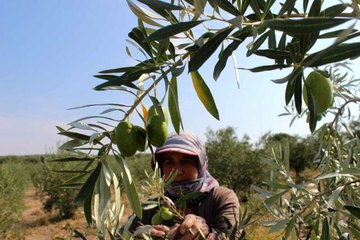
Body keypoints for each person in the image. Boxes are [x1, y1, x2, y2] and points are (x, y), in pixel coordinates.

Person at [122, 131, 240, 239]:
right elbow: (119, 236)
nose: (177, 171)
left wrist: (207, 230)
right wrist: (134, 236)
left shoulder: (221, 198)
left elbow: (232, 236)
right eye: (169, 162)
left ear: (201, 166)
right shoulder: (150, 208)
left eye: (186, 161)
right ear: (160, 169)